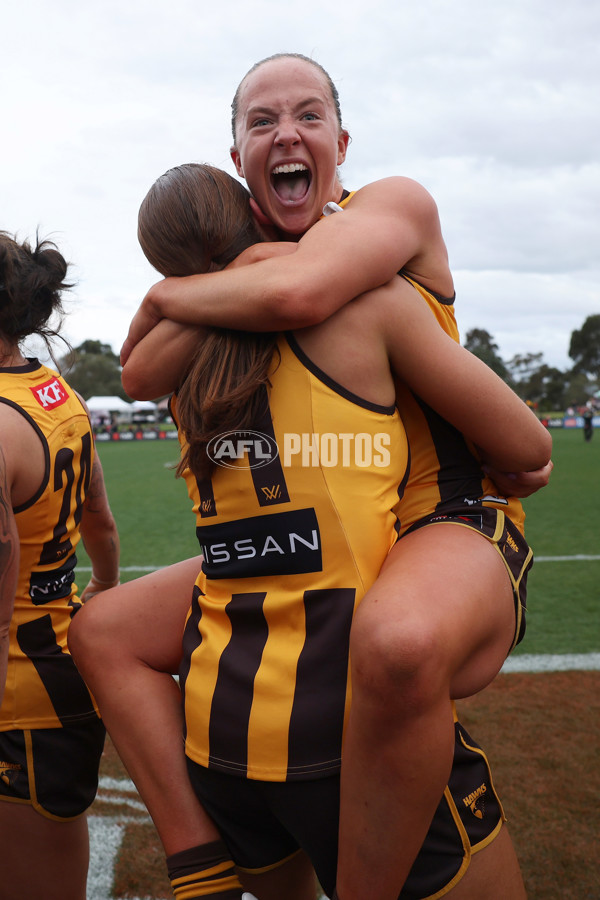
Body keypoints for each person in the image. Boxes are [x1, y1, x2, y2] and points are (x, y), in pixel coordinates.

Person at [118, 54, 552, 899]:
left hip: (446, 518)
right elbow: (138, 375)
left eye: (309, 115)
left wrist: (176, 293)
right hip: (346, 543)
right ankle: (203, 861)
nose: (287, 132)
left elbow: (304, 293)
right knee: (103, 631)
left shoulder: (388, 207)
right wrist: (204, 287)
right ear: (240, 160)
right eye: (261, 121)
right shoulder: (242, 292)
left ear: (341, 139)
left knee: (396, 644)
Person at [0, 231, 120, 900]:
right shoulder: (56, 395)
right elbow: (99, 519)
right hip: (56, 672)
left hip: (17, 704)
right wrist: (100, 587)